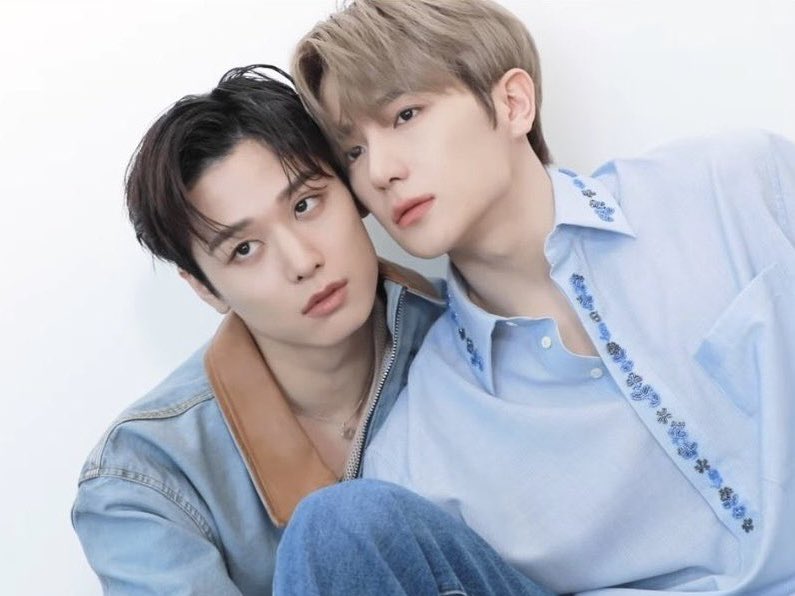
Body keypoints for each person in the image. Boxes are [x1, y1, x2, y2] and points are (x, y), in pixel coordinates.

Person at [291, 1, 795, 593]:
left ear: (513, 103)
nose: (379, 171)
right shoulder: (416, 455)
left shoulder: (735, 186)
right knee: (336, 525)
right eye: (353, 151)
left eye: (405, 115)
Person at [73, 64, 543, 595]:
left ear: (353, 192)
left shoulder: (483, 332)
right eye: (244, 249)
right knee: (335, 527)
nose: (302, 261)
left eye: (305, 205)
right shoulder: (145, 475)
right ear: (205, 288)